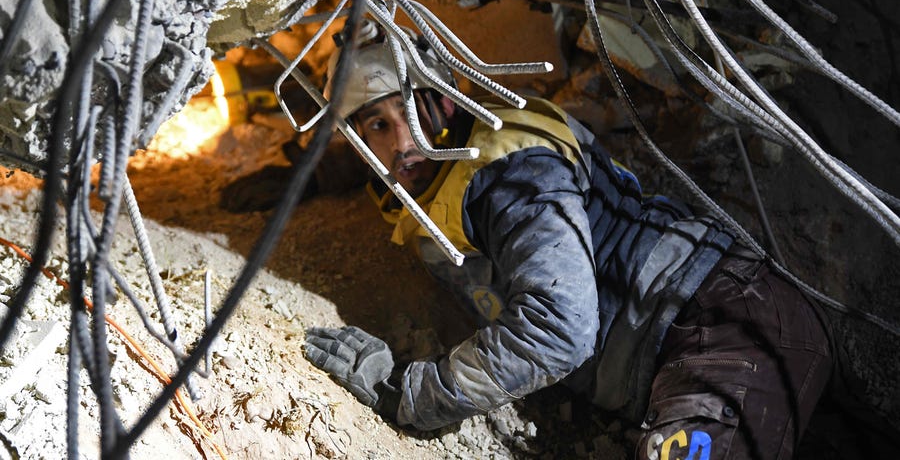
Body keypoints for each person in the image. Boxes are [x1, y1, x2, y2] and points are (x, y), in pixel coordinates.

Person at [303, 24, 833, 459]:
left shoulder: (510, 171)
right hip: (682, 352)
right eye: (378, 125)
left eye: (412, 110)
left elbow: (560, 329)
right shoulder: (429, 189)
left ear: (446, 100)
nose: (404, 142)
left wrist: (406, 393)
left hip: (724, 326)